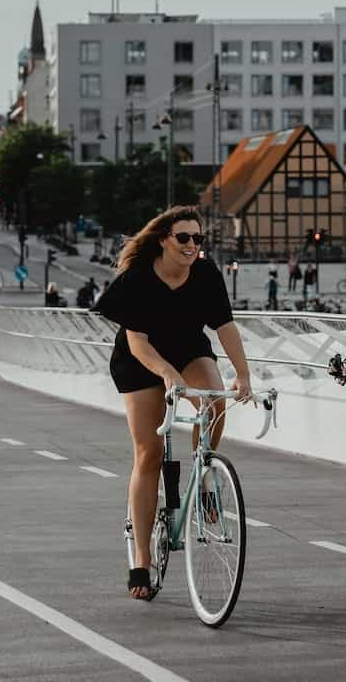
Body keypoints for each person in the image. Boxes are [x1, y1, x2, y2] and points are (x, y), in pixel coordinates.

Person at [94, 205, 254, 601]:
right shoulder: (138, 279)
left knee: (214, 402)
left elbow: (225, 327)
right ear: (164, 238)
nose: (192, 246)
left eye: (198, 239)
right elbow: (138, 342)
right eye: (183, 237)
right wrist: (169, 376)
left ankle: (204, 476)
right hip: (141, 362)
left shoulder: (205, 273)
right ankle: (142, 562)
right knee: (148, 453)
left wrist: (244, 373)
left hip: (188, 351)